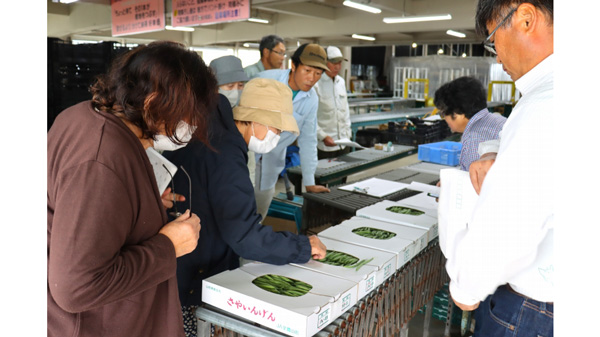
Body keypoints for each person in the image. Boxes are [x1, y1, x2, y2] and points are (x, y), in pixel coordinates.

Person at [47, 41, 216, 337]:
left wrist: (141, 208)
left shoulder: (81, 115)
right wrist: (169, 247)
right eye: (187, 113)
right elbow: (76, 287)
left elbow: (83, 212)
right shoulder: (102, 156)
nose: (190, 125)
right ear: (152, 102)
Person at [162, 78, 327, 337]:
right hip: (194, 273)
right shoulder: (225, 155)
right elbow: (245, 236)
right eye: (276, 128)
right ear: (255, 119)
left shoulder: (210, 130)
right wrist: (303, 246)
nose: (277, 136)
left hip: (185, 258)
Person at [442, 1, 554, 336]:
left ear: (525, 18)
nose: (496, 55)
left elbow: (510, 222)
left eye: (493, 39)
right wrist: (496, 152)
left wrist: (466, 286)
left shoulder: (546, 103)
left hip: (533, 310)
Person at [254, 43, 331, 220]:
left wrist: (309, 182)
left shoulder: (311, 99)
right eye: (307, 70)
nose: (312, 78)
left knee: (257, 217)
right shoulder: (264, 81)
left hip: (270, 164)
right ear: (294, 66)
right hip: (242, 157)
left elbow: (308, 139)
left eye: (318, 74)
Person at [433, 76, 506, 171]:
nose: (445, 119)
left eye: (443, 114)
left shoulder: (473, 139)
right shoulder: (497, 119)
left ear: (458, 113)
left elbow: (474, 182)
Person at [209, 55, 258, 186]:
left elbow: (250, 164)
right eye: (230, 86)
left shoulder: (243, 118)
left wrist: (249, 191)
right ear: (214, 87)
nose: (236, 92)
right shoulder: (201, 118)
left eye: (240, 85)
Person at [313, 46, 352, 160]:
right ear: (324, 62)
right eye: (334, 63)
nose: (338, 67)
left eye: (339, 63)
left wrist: (348, 134)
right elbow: (310, 117)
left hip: (344, 144)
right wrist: (323, 136)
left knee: (343, 176)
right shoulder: (316, 84)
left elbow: (346, 111)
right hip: (325, 146)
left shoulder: (341, 82)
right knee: (326, 175)